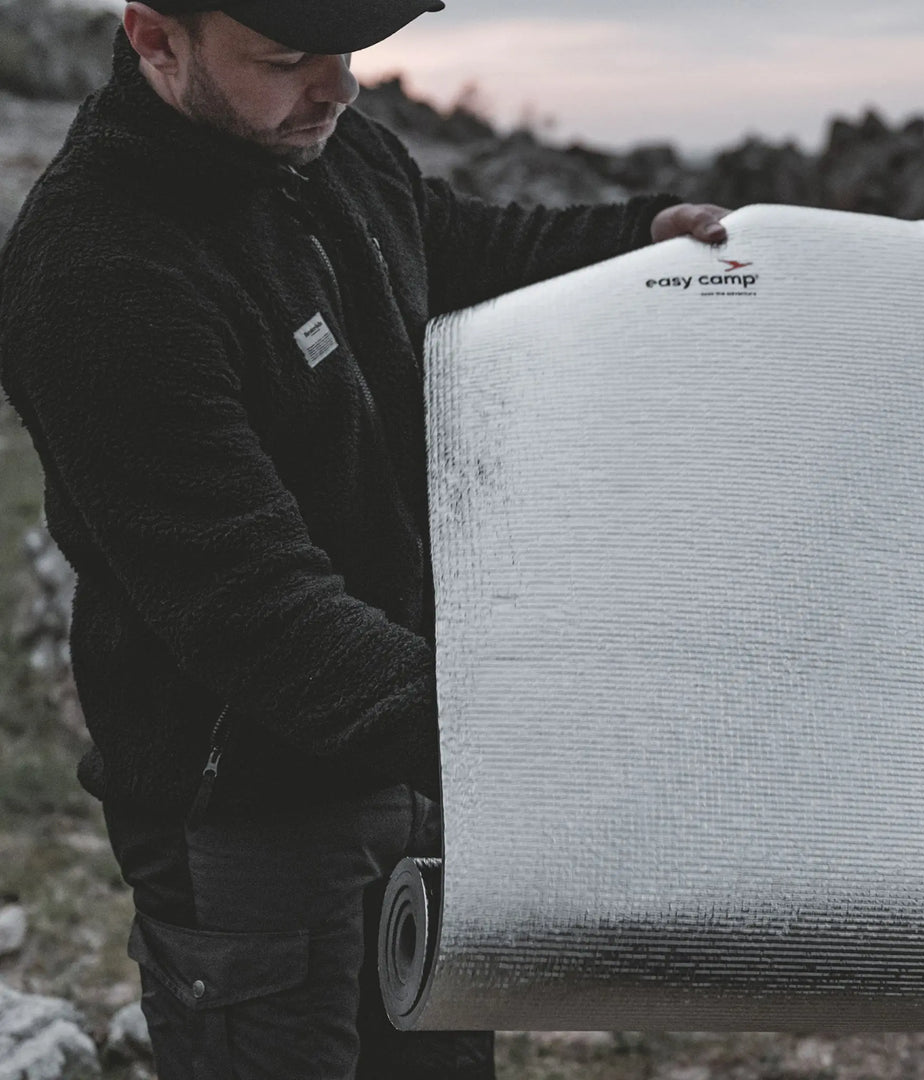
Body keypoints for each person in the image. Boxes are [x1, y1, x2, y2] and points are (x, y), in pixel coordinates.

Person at [0, 1, 729, 1076]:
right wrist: (522, 747)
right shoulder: (99, 267)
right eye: (288, 58)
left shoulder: (327, 149)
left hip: (414, 755)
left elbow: (453, 245)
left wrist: (639, 238)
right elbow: (254, 606)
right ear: (157, 39)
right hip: (248, 813)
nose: (337, 86)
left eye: (348, 51)